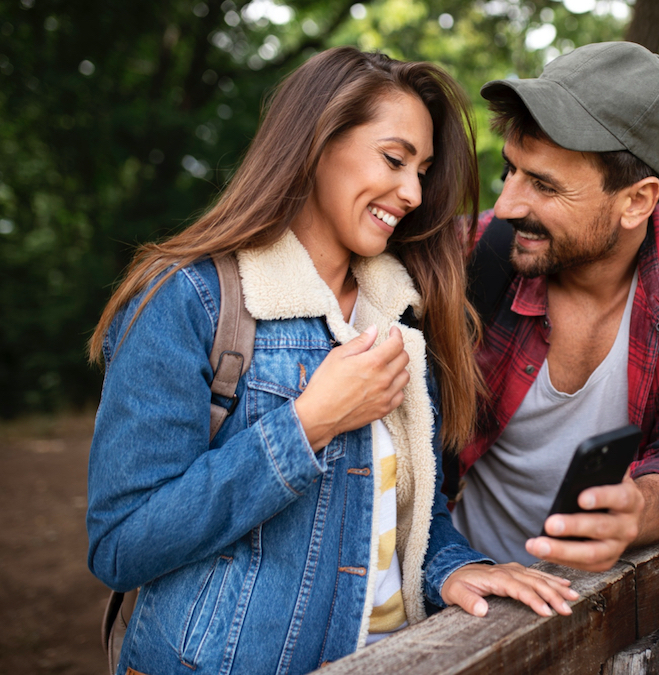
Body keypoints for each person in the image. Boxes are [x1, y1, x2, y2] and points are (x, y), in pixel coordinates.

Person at [86, 47, 577, 675]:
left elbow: (405, 514)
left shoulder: (398, 310)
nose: (412, 192)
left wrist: (457, 569)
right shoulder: (188, 297)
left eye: (422, 170)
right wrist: (307, 424)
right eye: (395, 159)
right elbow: (122, 543)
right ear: (316, 143)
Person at [449, 41, 659, 572]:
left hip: (603, 598)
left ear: (637, 201)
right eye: (512, 171)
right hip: (457, 587)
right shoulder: (471, 254)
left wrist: (637, 510)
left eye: (545, 186)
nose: (505, 205)